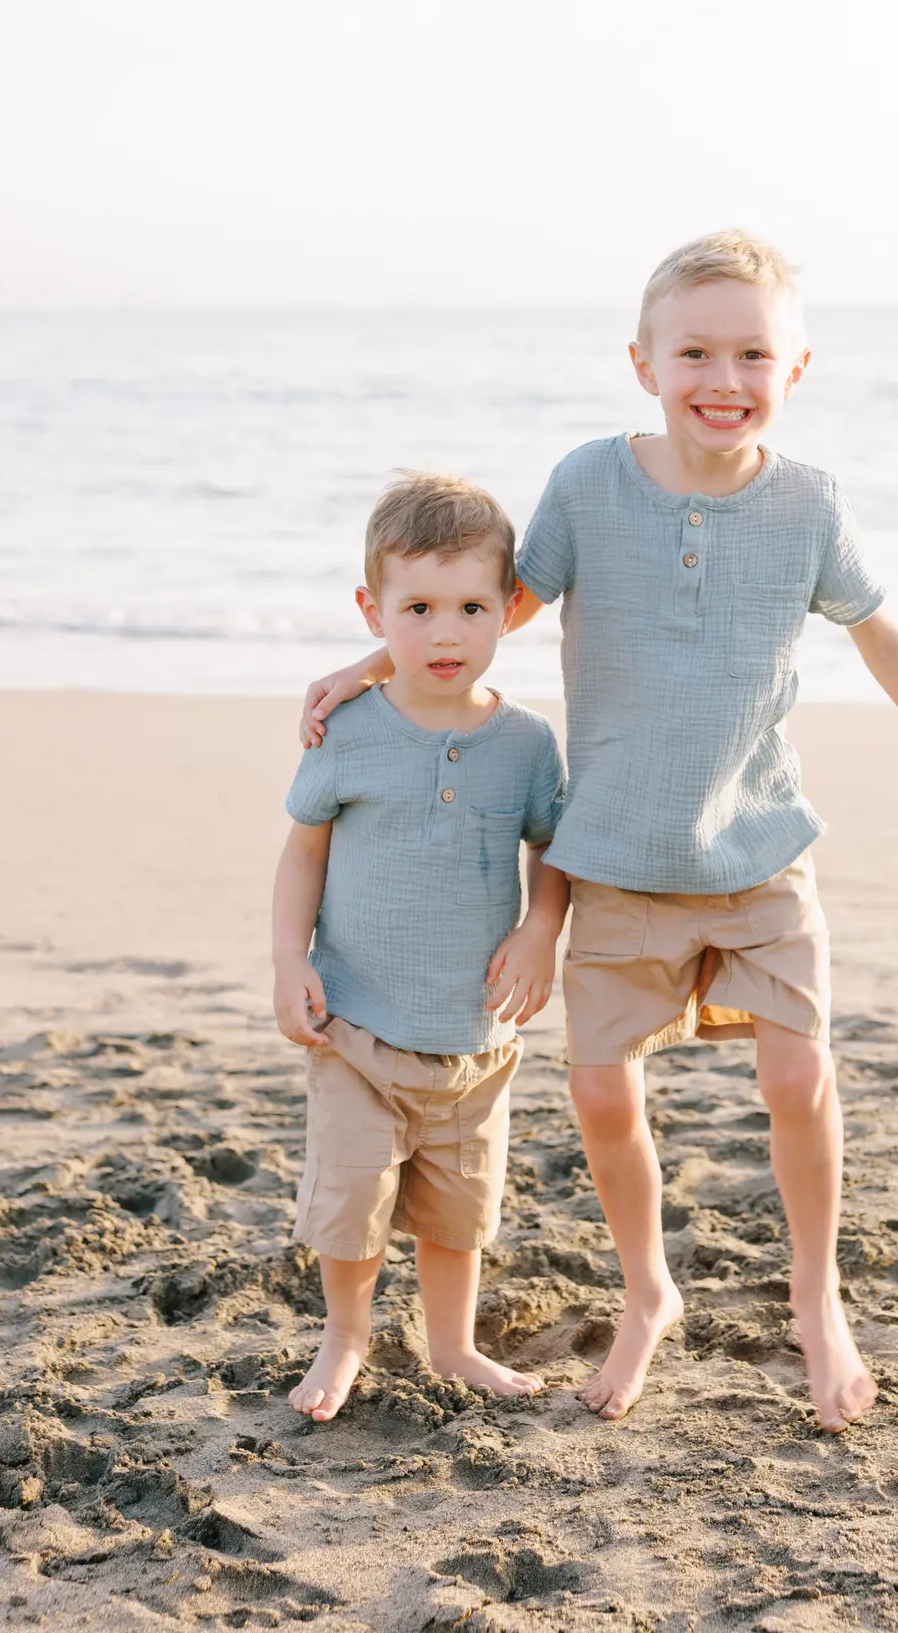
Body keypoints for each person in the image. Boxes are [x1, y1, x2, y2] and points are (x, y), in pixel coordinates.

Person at [299, 232, 898, 1431]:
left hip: (758, 849)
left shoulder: (808, 504)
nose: (721, 375)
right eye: (694, 349)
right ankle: (649, 1290)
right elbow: (496, 606)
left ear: (795, 369)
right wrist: (361, 664)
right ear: (643, 361)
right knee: (598, 1091)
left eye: (752, 352)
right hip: (617, 858)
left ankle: (815, 1292)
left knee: (796, 1071)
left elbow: (881, 635)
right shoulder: (590, 483)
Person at [274, 472, 568, 1420]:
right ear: (374, 611)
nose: (447, 633)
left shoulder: (527, 743)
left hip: (474, 1038)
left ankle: (453, 1346)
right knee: (353, 1206)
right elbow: (303, 850)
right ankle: (347, 1339)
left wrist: (539, 929)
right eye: (420, 608)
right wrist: (289, 960)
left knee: (458, 1211)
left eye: (473, 607)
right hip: (355, 1023)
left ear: (511, 611)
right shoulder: (346, 731)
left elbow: (549, 848)